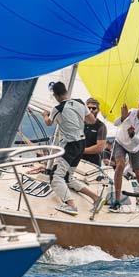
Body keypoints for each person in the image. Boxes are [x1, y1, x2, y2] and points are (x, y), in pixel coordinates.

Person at [42, 81, 101, 215]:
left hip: (70, 145)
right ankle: (96, 198)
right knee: (68, 177)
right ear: (66, 92)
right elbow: (92, 120)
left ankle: (71, 206)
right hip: (81, 143)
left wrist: (45, 114)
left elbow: (48, 123)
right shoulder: (80, 102)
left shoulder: (57, 109)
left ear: (56, 95)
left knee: (56, 177)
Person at [111, 96, 139, 222]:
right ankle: (117, 201)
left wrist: (132, 134)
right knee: (120, 165)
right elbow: (116, 123)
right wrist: (123, 117)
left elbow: (138, 140)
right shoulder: (132, 111)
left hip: (135, 148)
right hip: (120, 142)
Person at [81, 98, 107, 166]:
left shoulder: (101, 126)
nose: (91, 110)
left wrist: (81, 150)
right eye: (88, 108)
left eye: (94, 108)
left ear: (98, 110)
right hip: (76, 160)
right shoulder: (79, 122)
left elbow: (100, 148)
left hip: (92, 164)